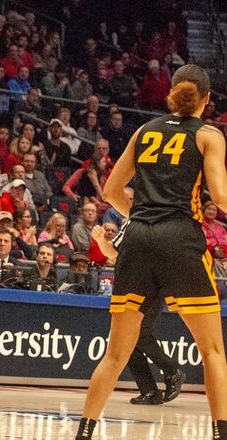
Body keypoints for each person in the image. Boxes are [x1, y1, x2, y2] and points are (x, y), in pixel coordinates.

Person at [76, 65, 227, 440]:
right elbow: (220, 197)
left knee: (115, 355)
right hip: (180, 239)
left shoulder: (144, 131)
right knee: (212, 352)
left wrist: (144, 216)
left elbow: (111, 191)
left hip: (139, 238)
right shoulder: (209, 135)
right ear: (206, 100)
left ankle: (84, 433)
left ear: (173, 93)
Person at [91, 224, 186, 406]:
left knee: (139, 332)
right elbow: (112, 252)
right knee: (126, 339)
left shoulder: (163, 221)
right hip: (132, 287)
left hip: (155, 285)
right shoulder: (132, 221)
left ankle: (173, 371)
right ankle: (149, 390)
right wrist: (101, 240)